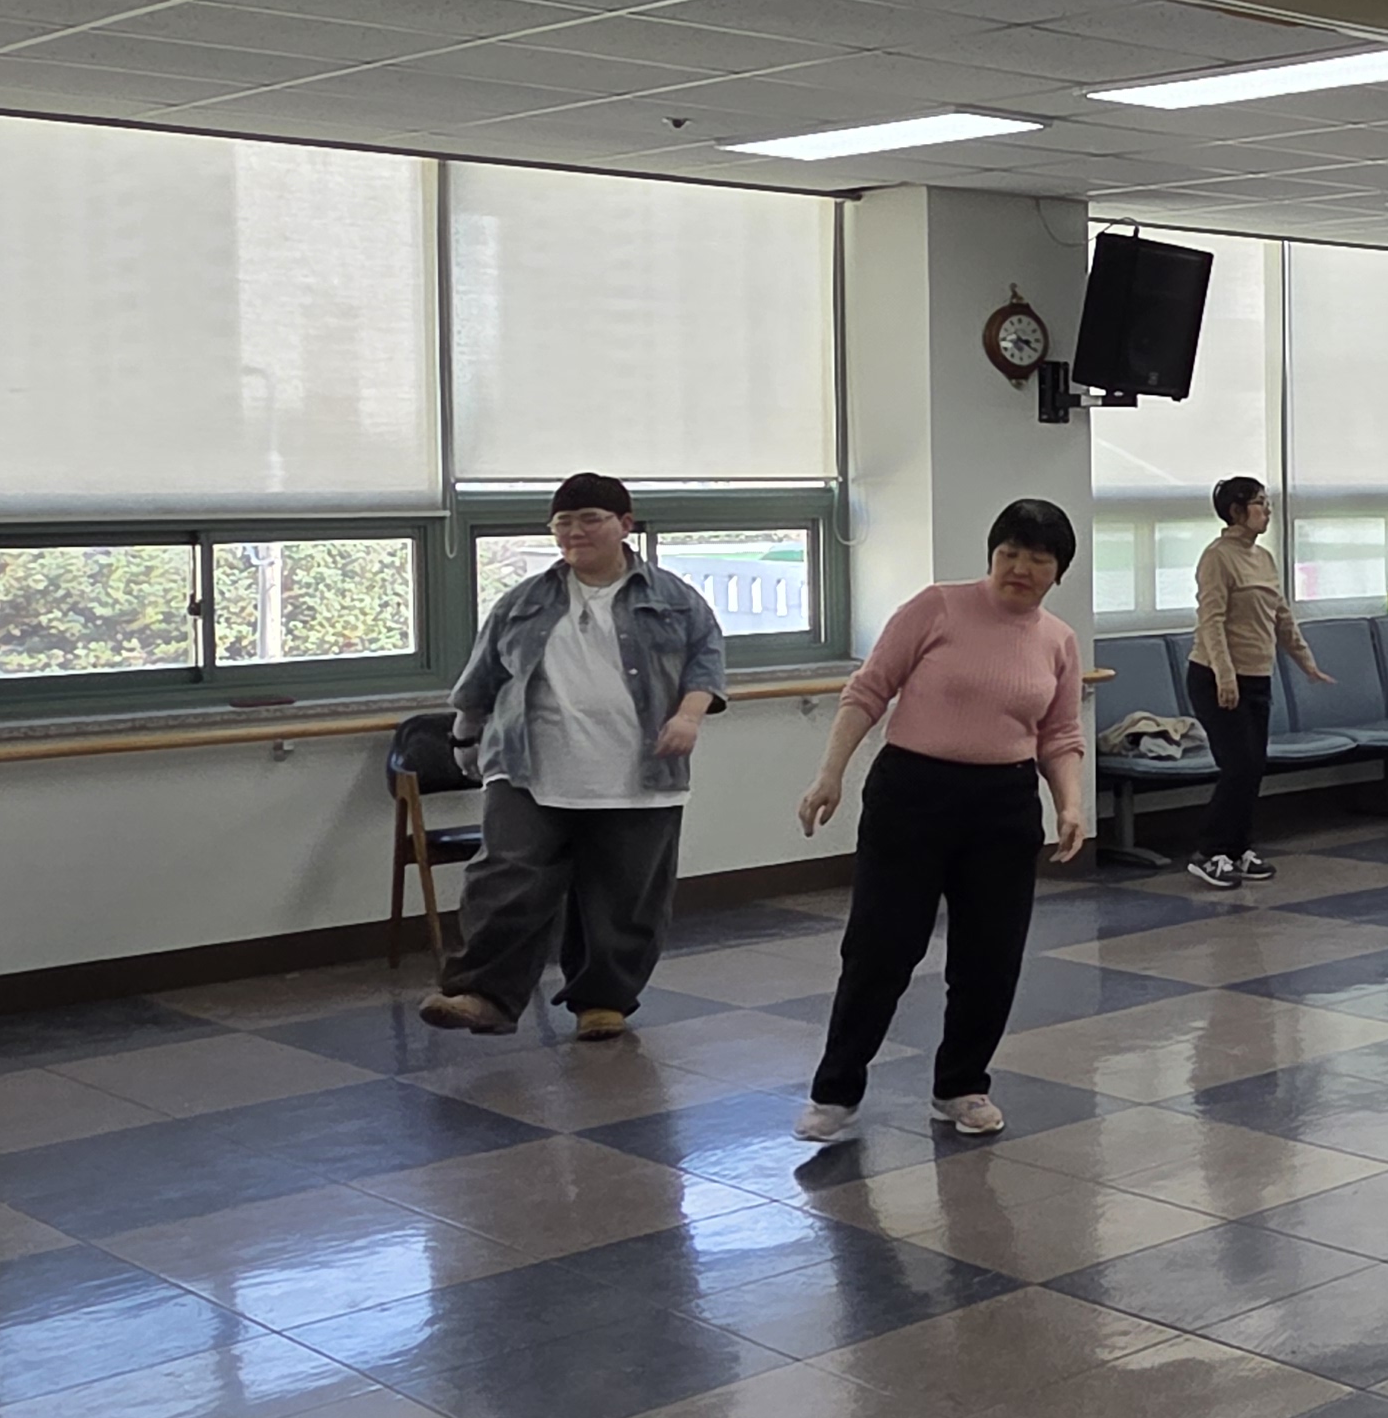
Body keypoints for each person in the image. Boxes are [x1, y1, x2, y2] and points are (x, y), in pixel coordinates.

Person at [792, 501, 1090, 1142]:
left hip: (1004, 805)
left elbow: (1060, 734)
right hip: (912, 794)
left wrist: (1069, 803)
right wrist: (829, 774)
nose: (1020, 568)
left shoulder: (1058, 640)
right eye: (1009, 553)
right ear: (991, 555)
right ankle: (835, 1091)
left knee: (991, 958)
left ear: (1059, 571)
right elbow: (869, 689)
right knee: (880, 949)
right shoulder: (936, 608)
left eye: (1038, 559)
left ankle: (961, 1086)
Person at [420, 474, 729, 1039]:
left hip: (639, 773)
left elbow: (706, 660)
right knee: (505, 879)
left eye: (590, 519)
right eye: (563, 523)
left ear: (624, 525)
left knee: (625, 893)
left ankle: (602, 1002)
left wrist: (689, 715)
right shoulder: (524, 600)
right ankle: (484, 994)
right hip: (526, 767)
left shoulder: (673, 597)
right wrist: (466, 739)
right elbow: (481, 677)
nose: (575, 532)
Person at [1184, 474, 1327, 892]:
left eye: (1267, 503)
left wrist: (1306, 662)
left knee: (1253, 766)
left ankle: (1238, 849)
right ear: (1236, 511)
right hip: (1215, 677)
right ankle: (1210, 852)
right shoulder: (1217, 558)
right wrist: (1225, 676)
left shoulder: (1263, 558)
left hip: (1257, 677)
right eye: (1259, 503)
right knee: (1239, 765)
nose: (1267, 510)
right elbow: (1211, 621)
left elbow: (1280, 616)